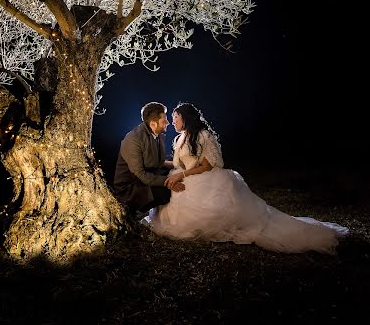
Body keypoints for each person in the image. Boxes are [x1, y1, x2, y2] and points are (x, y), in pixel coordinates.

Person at [143, 103, 349, 254]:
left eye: (176, 117)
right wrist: (159, 163)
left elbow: (207, 165)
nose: (173, 121)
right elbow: (178, 164)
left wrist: (182, 174)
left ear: (186, 118)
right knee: (169, 195)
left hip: (203, 177)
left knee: (197, 205)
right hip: (185, 175)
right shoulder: (180, 138)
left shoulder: (204, 136)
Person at [114, 102, 185, 215]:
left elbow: (159, 162)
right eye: (164, 121)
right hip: (132, 187)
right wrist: (167, 182)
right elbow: (141, 175)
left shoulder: (159, 133)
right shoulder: (133, 140)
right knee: (167, 191)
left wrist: (179, 165)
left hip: (149, 174)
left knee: (176, 168)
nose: (168, 122)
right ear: (153, 124)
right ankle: (136, 212)